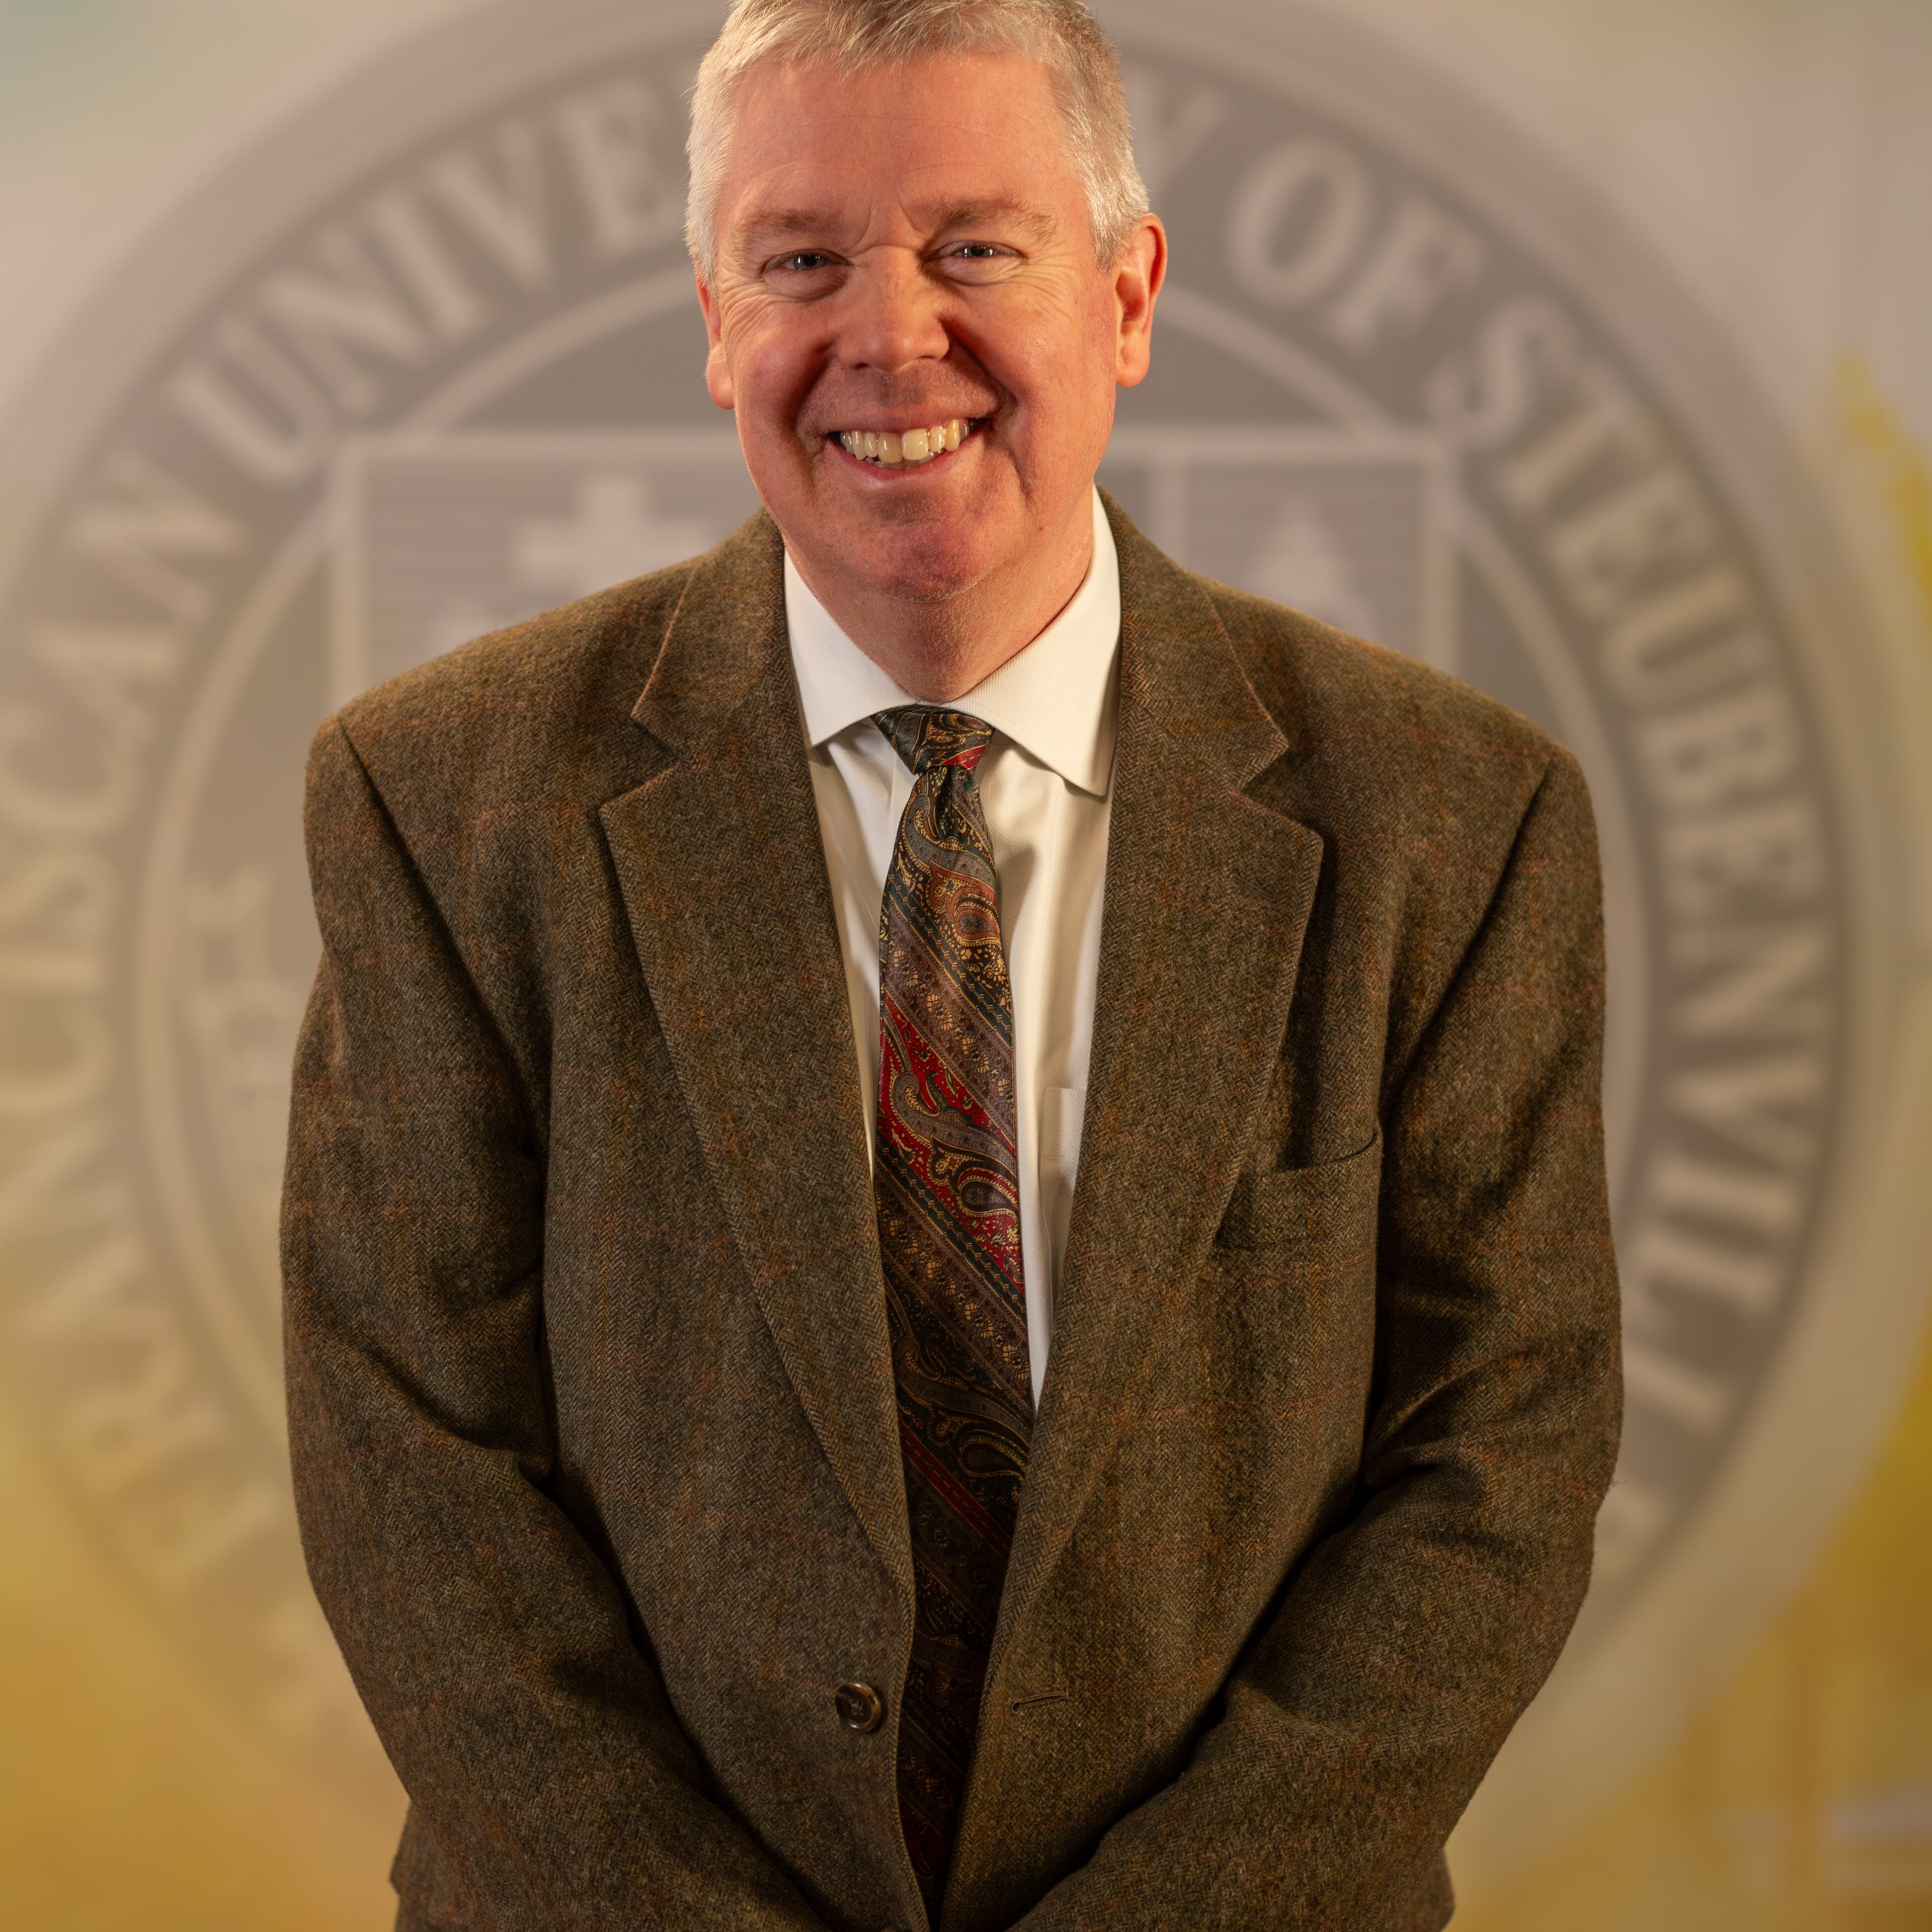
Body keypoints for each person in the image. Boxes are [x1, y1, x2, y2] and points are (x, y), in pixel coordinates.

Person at [282, 1, 1622, 1926]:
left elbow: (1499, 1458)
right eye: (801, 258)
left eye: (975, 246)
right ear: (715, 319)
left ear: (1132, 295)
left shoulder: (1453, 820)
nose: (888, 334)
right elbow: (410, 1480)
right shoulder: (438, 803)